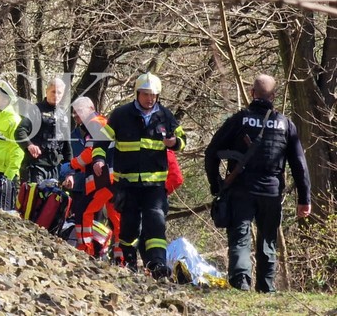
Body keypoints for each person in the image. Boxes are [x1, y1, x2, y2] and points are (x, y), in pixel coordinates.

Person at [204, 74, 311, 292]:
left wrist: (216, 184)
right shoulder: (285, 124)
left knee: (240, 237)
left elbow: (211, 152)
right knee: (268, 240)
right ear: (273, 96)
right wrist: (304, 199)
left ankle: (241, 281)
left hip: (240, 190)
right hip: (271, 192)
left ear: (252, 93)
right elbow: (299, 165)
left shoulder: (238, 120)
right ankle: (266, 287)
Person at [102, 72, 185, 278]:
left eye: (154, 95)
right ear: (137, 93)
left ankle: (157, 264)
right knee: (129, 226)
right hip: (127, 184)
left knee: (156, 221)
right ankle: (128, 260)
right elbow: (101, 141)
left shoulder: (165, 115)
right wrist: (98, 160)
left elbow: (182, 138)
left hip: (155, 185)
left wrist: (175, 142)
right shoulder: (121, 115)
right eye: (146, 94)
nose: (150, 99)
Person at [69, 96, 122, 261]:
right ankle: (122, 258)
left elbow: (90, 154)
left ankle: (85, 249)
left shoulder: (94, 123)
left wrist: (72, 164)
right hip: (113, 180)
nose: (76, 116)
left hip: (101, 180)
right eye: (74, 112)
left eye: (78, 111)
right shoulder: (103, 123)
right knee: (116, 219)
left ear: (90, 109)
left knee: (84, 211)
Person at [15, 77, 73, 184]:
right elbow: (20, 131)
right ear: (47, 91)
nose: (56, 95)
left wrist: (69, 174)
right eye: (53, 92)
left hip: (54, 169)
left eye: (59, 93)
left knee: (53, 195)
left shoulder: (63, 116)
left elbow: (67, 148)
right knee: (35, 195)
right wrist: (29, 145)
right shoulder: (35, 110)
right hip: (35, 166)